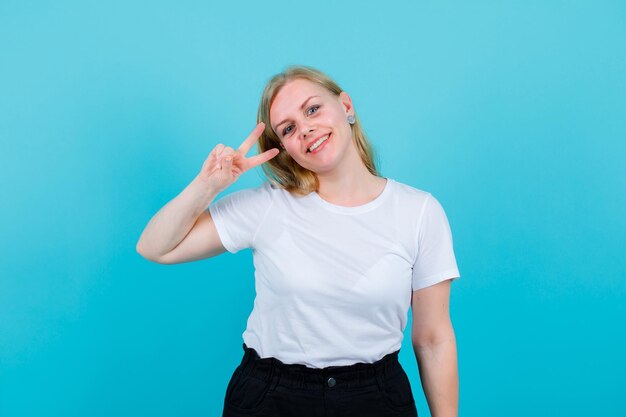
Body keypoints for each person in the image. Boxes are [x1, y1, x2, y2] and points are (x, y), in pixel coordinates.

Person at [136, 65, 461, 417]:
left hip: (375, 398)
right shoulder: (266, 205)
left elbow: (432, 339)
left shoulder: (420, 212)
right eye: (288, 129)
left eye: (312, 109)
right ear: (285, 148)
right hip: (272, 397)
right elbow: (155, 247)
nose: (305, 129)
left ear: (346, 106)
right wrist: (208, 186)